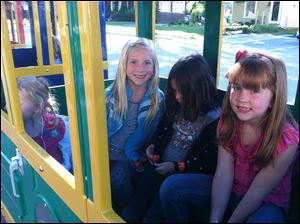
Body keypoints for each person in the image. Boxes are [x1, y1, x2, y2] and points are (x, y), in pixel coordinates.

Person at [121, 53, 220, 222]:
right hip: (158, 168)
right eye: (175, 90)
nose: (178, 96)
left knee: (151, 219)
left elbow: (207, 162)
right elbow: (161, 134)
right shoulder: (175, 107)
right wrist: (152, 149)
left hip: (180, 176)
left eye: (185, 92)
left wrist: (176, 167)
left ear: (200, 89)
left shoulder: (213, 119)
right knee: (132, 210)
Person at [209, 52, 299, 223]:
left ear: (273, 98)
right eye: (237, 87)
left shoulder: (287, 140)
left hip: (267, 203)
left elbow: (257, 193)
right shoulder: (228, 121)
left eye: (254, 91)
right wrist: (214, 220)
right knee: (173, 188)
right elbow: (223, 172)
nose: (242, 98)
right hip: (232, 190)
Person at [105, 37, 165, 212]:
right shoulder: (111, 96)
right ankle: (126, 213)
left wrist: (149, 151)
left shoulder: (157, 98)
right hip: (109, 154)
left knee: (151, 182)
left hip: (137, 155)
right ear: (124, 64)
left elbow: (156, 132)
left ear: (154, 67)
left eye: (147, 63)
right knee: (118, 179)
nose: (140, 69)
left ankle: (138, 212)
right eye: (133, 62)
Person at [17, 76, 72, 173]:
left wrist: (66, 167)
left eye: (18, 104)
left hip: (57, 172)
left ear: (37, 107)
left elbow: (66, 144)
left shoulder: (54, 125)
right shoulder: (17, 128)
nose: (7, 108)